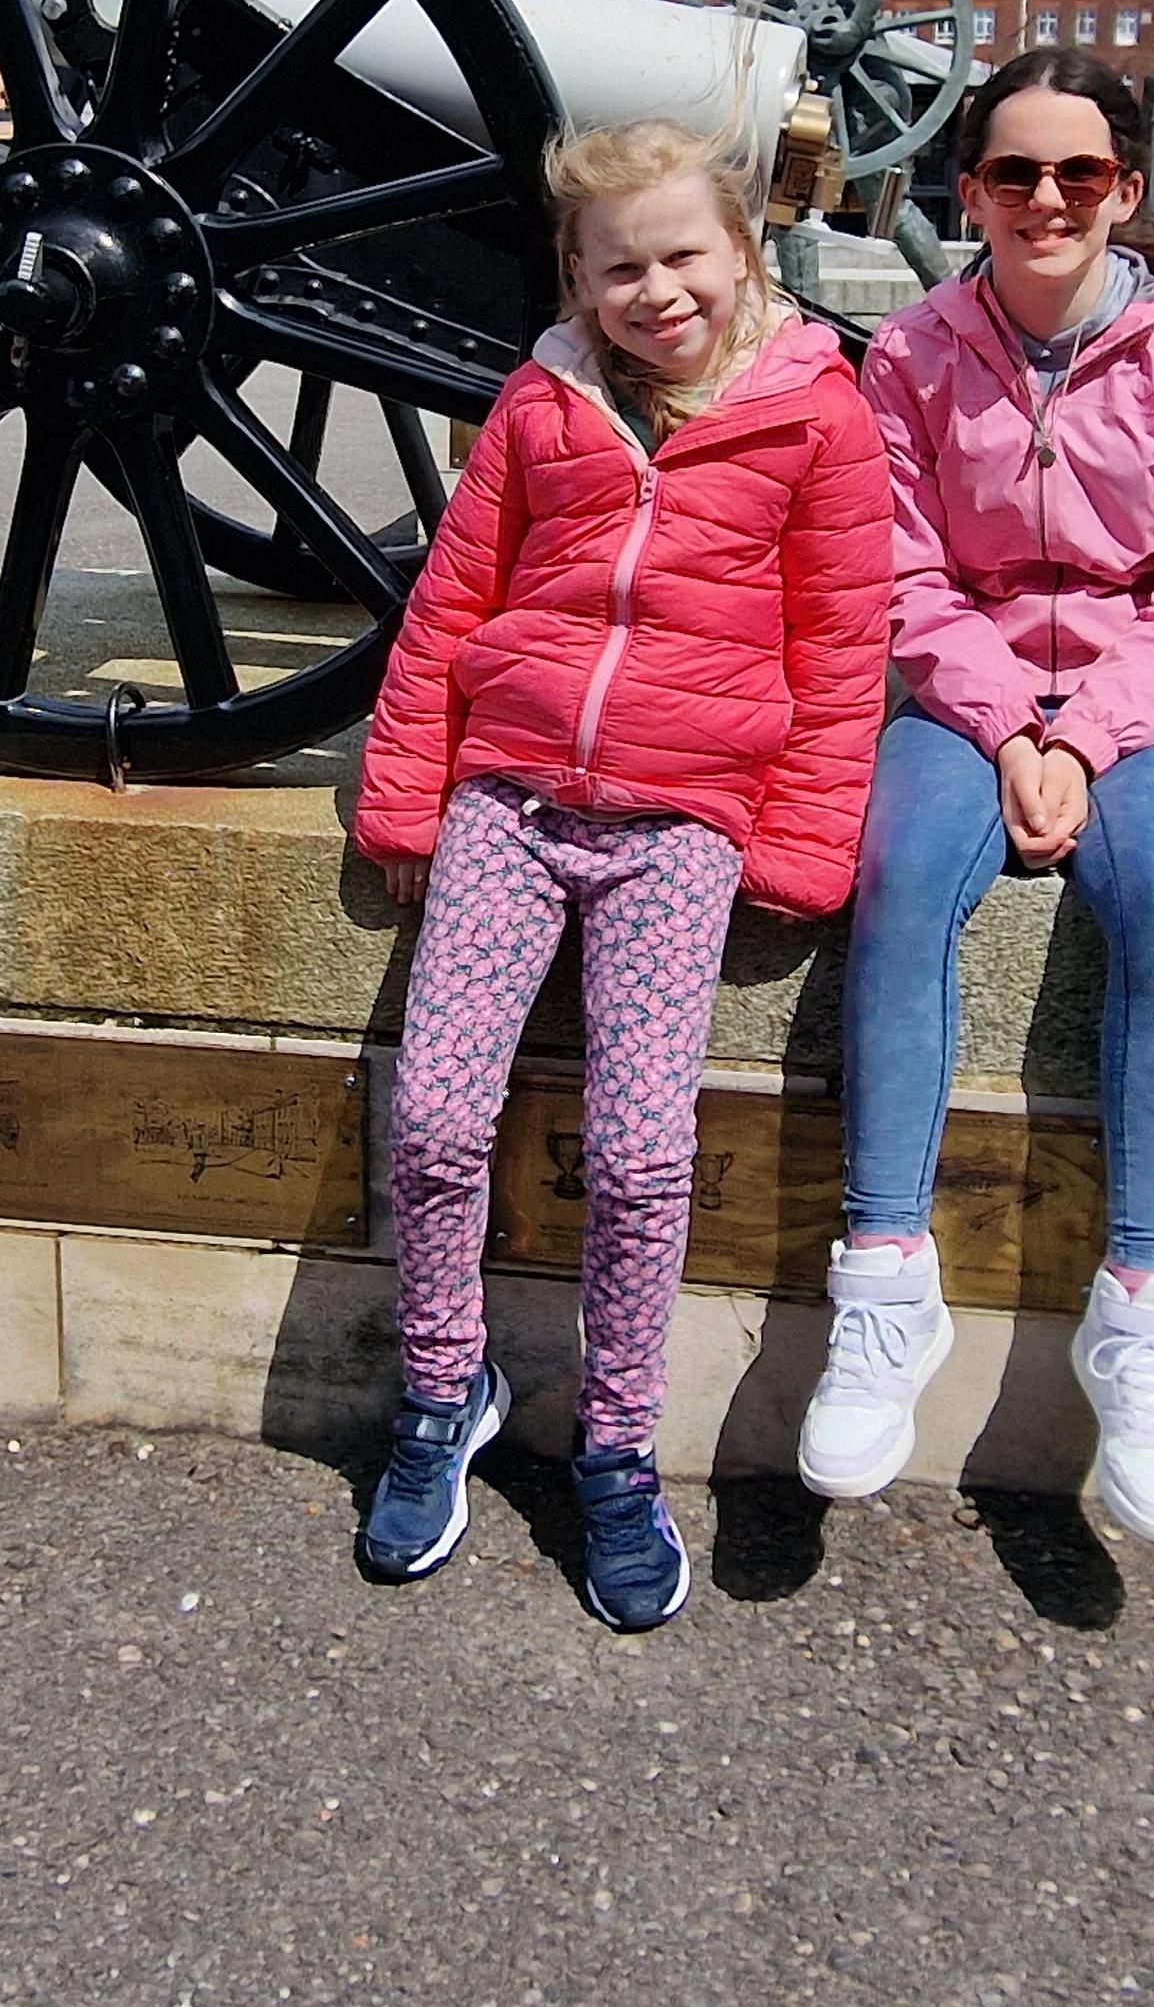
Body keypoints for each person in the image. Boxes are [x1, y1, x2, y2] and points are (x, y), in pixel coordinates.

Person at [350, 118, 891, 1629]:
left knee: (645, 1155)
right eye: (619, 269)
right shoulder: (541, 406)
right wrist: (405, 805)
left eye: (683, 257)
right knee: (438, 1116)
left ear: (744, 250)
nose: (657, 293)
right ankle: (443, 1392)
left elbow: (842, 643)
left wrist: (800, 847)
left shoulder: (816, 416)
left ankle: (616, 1444)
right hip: (511, 798)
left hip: (680, 820)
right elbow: (454, 601)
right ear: (577, 281)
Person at [797, 50, 1154, 1545]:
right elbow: (906, 572)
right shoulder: (912, 354)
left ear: (1126, 190)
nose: (1046, 198)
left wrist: (1095, 733)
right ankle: (885, 1279)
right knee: (895, 881)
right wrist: (1008, 729)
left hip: (1145, 690)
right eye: (1015, 172)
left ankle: (1144, 1312)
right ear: (971, 193)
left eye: (1079, 173)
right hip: (971, 684)